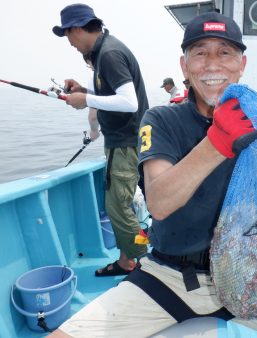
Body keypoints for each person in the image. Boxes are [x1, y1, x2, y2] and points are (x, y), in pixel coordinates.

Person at [49, 12, 257, 338]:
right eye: (200, 53)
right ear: (185, 65)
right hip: (170, 276)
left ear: (241, 64)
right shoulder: (161, 120)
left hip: (252, 274)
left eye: (225, 53)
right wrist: (216, 143)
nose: (213, 64)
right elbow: (158, 203)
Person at [52, 3, 149, 276]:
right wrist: (84, 90)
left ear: (78, 28)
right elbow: (112, 94)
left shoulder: (109, 53)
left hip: (126, 143)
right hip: (125, 141)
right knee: (121, 206)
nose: (69, 42)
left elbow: (129, 102)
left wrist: (86, 99)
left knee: (117, 208)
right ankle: (126, 260)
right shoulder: (103, 51)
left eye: (68, 34)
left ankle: (143, 260)